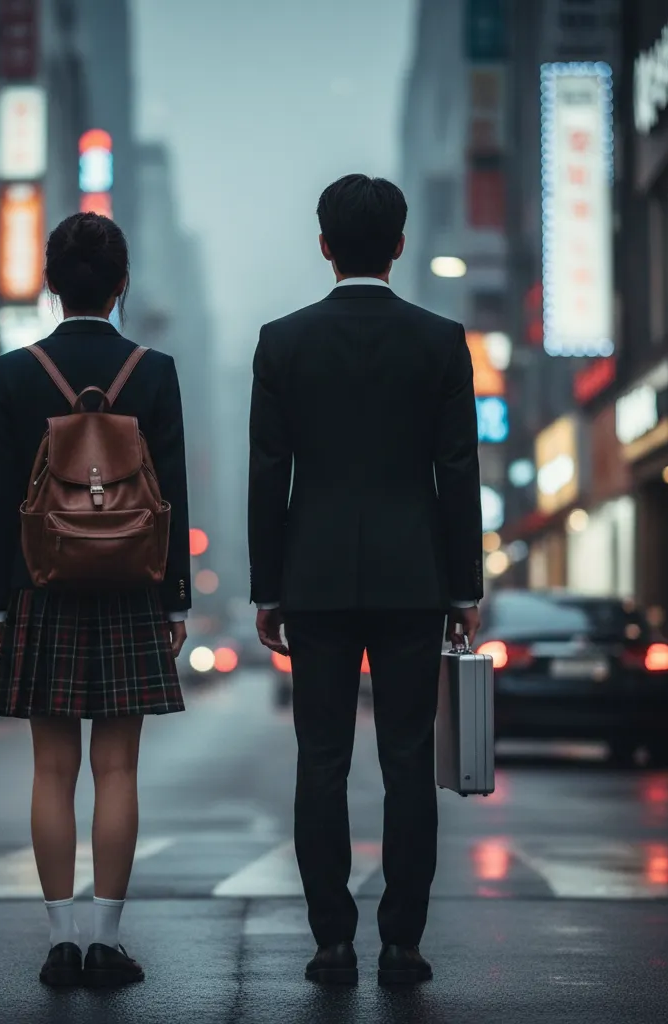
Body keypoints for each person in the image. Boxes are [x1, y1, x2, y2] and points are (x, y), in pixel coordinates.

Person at [248, 174, 483, 988]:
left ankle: (332, 942)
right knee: (408, 761)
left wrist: (266, 588)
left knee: (321, 760)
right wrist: (464, 588)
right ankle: (403, 943)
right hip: (414, 578)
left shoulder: (282, 342)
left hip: (312, 579)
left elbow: (267, 474)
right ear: (400, 244)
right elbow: (458, 471)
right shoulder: (440, 341)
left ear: (323, 246)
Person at [0, 211, 191, 989]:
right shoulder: (156, 370)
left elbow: (1, 496)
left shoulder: (15, 371)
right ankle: (107, 940)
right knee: (119, 770)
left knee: (50, 771)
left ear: (49, 281)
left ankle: (60, 943)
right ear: (122, 284)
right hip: (133, 584)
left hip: (43, 585)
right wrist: (175, 599)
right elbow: (170, 492)